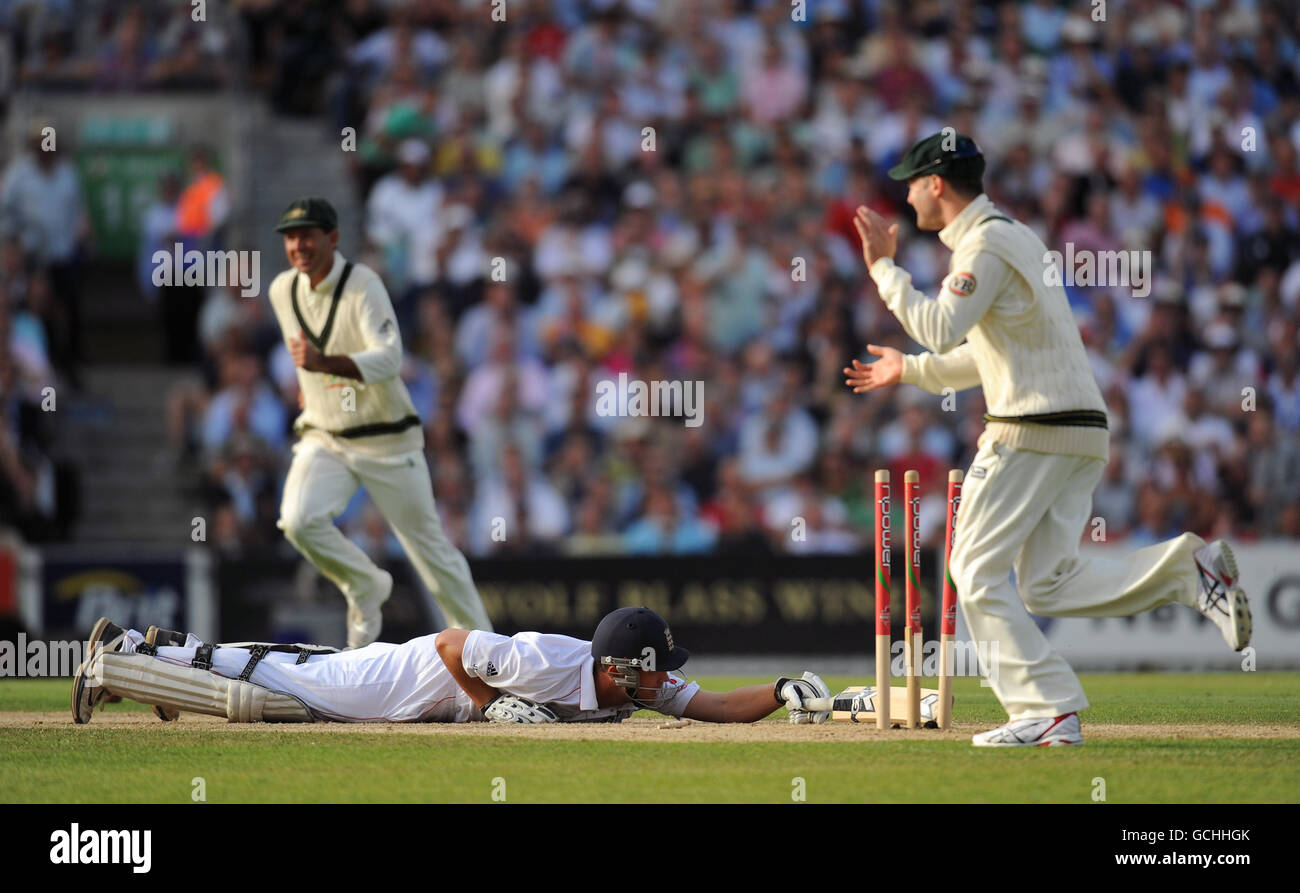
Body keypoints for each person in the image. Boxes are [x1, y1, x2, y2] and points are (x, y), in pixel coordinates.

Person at [843, 132, 1252, 747]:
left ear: (936, 183)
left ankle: (1047, 708)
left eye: (910, 182)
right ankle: (1189, 574)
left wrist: (882, 267)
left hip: (1031, 430)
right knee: (1046, 583)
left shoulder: (984, 245)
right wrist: (912, 371)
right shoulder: (1014, 239)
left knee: (972, 571)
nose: (904, 195)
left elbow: (936, 326)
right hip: (1078, 431)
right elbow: (983, 356)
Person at [267, 197, 491, 647]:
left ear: (332, 238)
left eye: (308, 235)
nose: (298, 245)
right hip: (326, 436)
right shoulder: (281, 291)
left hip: (387, 440)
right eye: (291, 237)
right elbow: (306, 361)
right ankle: (365, 582)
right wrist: (316, 390)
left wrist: (324, 363)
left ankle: (490, 652)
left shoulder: (363, 284)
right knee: (297, 520)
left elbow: (389, 359)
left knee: (430, 554)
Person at [71, 608, 832, 725]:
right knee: (288, 687)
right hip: (402, 681)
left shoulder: (634, 682)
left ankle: (145, 653)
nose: (667, 679)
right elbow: (452, 641)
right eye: (657, 668)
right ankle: (129, 655)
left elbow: (713, 706)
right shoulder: (541, 658)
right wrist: (484, 700)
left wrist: (783, 687)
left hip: (417, 691)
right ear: (621, 668)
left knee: (293, 677)